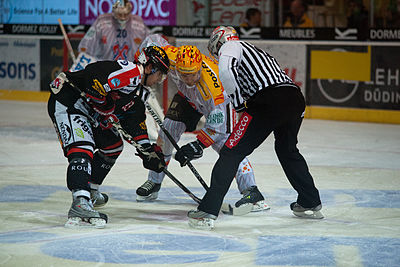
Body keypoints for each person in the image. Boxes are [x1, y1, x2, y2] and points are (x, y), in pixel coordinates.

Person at [187, 26, 323, 230]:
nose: (215, 53)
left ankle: (208, 210)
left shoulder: (231, 46)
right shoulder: (257, 52)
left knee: (231, 151)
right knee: (287, 150)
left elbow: (225, 71)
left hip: (269, 100)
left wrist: (239, 104)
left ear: (219, 41)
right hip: (294, 98)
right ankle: (310, 201)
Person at [134, 36, 268, 212]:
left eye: (192, 75)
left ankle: (252, 192)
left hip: (216, 106)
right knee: (167, 132)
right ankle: (154, 181)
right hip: (188, 100)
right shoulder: (172, 57)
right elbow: (153, 39)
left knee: (227, 145)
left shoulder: (215, 91)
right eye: (183, 75)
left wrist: (196, 147)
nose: (188, 80)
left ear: (199, 69)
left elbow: (216, 129)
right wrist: (138, 62)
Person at [47, 45, 170, 228]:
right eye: (160, 74)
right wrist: (105, 106)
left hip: (87, 111)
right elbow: (93, 76)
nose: (160, 80)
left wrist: (148, 151)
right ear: (150, 67)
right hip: (69, 100)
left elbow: (135, 122)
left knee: (112, 145)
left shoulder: (135, 91)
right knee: (83, 147)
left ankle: (90, 190)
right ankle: (80, 201)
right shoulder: (130, 72)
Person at [78, 0, 150, 61]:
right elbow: (86, 43)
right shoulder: (102, 21)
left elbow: (150, 42)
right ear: (114, 12)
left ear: (130, 12)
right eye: (120, 14)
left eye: (126, 14)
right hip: (104, 68)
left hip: (130, 68)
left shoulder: (138, 23)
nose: (123, 18)